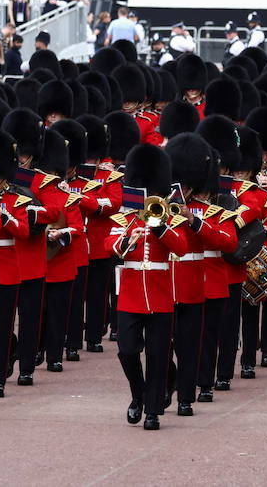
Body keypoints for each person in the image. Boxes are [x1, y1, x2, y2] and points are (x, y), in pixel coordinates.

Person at [108, 144, 189, 431]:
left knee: (158, 355)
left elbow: (180, 247)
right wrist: (131, 234)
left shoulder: (168, 215)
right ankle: (137, 395)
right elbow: (111, 246)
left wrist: (159, 227)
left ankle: (153, 411)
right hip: (130, 295)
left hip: (159, 294)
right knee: (127, 351)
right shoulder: (124, 217)